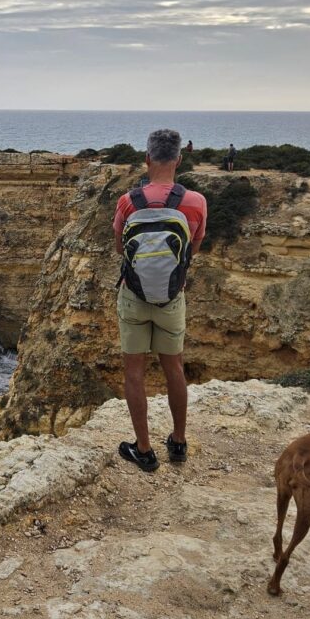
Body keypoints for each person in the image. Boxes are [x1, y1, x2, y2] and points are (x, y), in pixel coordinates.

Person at [113, 129, 208, 472]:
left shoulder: (128, 201)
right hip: (172, 298)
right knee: (175, 369)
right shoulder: (196, 202)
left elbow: (120, 249)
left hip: (134, 296)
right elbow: (192, 250)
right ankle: (178, 443)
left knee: (134, 373)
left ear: (147, 159)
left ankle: (144, 450)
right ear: (179, 160)